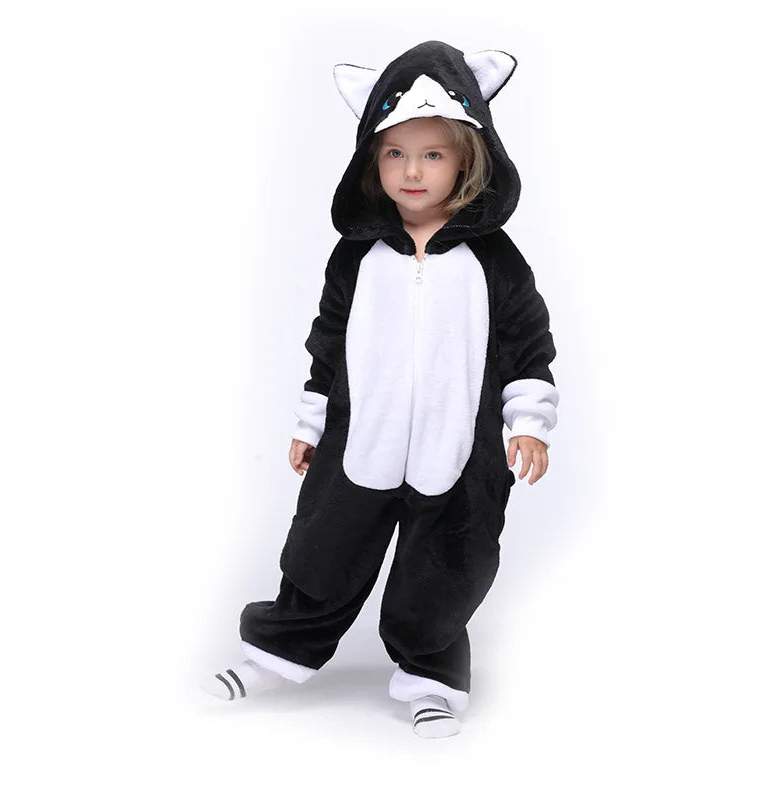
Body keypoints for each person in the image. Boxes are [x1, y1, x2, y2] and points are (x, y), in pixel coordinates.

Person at [200, 40, 559, 739]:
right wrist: (310, 424)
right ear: (371, 159)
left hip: (461, 453)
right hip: (358, 440)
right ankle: (275, 653)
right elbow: (328, 342)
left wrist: (528, 424)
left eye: (432, 154)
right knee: (320, 552)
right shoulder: (356, 257)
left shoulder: (495, 260)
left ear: (467, 159)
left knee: (445, 570)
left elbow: (527, 343)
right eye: (395, 153)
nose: (412, 170)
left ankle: (431, 681)